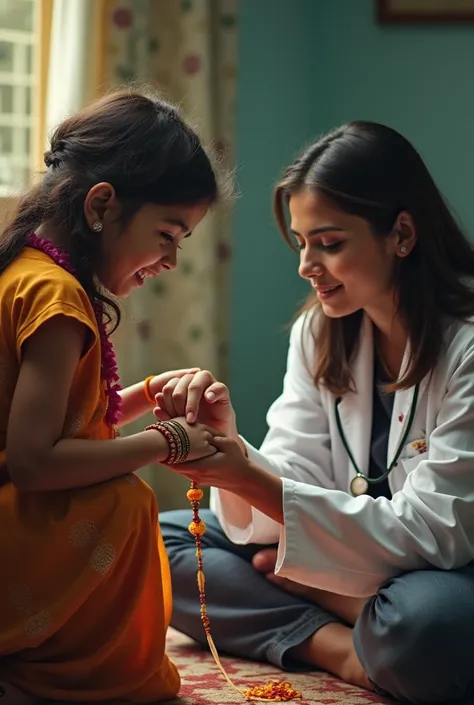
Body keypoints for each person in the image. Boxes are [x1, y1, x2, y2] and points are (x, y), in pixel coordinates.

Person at [157, 121, 474, 705]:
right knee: (166, 541)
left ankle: (345, 610)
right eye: (301, 243)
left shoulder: (467, 350)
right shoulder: (319, 332)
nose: (306, 265)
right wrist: (234, 451)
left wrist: (325, 580)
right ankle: (343, 649)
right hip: (367, 566)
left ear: (401, 234)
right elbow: (294, 467)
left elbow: (438, 533)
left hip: (444, 574)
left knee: (433, 628)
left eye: (329, 243)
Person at [0, 90, 224, 704]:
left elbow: (64, 426)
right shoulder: (58, 301)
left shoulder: (25, 269)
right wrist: (170, 440)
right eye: (168, 233)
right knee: (124, 500)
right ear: (102, 204)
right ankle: (69, 678)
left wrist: (149, 395)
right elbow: (36, 462)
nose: (172, 259)